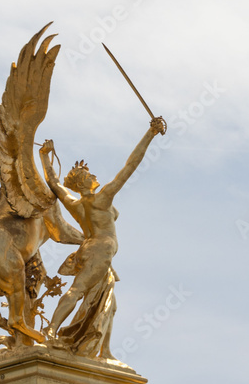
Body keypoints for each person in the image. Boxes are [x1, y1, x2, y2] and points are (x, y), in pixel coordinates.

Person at [39, 116, 167, 354]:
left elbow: (54, 184)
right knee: (77, 290)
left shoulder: (75, 204)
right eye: (88, 174)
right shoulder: (103, 198)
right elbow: (130, 167)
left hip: (90, 250)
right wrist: (150, 134)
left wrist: (44, 156)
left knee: (109, 304)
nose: (93, 175)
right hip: (100, 251)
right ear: (84, 181)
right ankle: (50, 331)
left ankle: (104, 351)